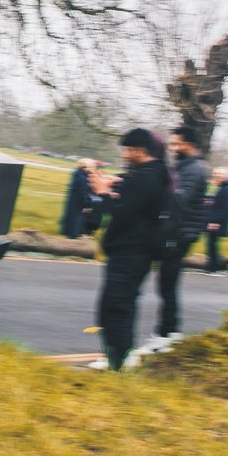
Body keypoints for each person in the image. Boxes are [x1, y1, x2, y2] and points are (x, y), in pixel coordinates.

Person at [86, 128, 170, 371]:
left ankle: (117, 361)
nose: (124, 154)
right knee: (122, 306)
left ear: (138, 150)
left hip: (130, 252)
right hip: (136, 252)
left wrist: (103, 193)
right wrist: (117, 188)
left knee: (114, 307)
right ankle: (118, 358)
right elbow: (135, 206)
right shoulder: (151, 174)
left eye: (126, 150)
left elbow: (125, 213)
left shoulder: (146, 177)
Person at [138, 126, 208, 354]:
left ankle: (166, 334)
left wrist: (156, 191)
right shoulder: (185, 166)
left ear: (188, 144)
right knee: (167, 285)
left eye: (176, 144)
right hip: (178, 232)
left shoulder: (194, 169)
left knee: (167, 285)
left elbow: (181, 199)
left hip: (179, 234)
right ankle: (170, 332)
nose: (172, 147)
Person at [203, 167, 228, 274]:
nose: (216, 175)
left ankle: (213, 266)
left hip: (215, 222)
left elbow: (223, 208)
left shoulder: (225, 189)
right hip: (214, 221)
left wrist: (215, 222)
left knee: (212, 244)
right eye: (215, 173)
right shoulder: (223, 188)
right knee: (211, 243)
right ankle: (215, 263)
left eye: (219, 174)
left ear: (225, 176)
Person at [60, 158, 97, 238]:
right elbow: (83, 193)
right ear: (87, 167)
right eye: (93, 166)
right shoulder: (82, 177)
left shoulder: (78, 174)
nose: (94, 168)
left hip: (74, 204)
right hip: (79, 205)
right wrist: (87, 205)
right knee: (75, 226)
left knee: (73, 225)